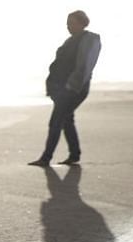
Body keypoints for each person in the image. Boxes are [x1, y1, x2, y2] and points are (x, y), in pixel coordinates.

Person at [29, 10, 102, 167]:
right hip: (62, 89)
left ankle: (46, 158)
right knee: (66, 119)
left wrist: (71, 86)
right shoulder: (70, 41)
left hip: (74, 88)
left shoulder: (89, 39)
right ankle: (74, 155)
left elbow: (84, 66)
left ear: (82, 23)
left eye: (72, 23)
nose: (68, 26)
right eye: (67, 23)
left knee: (56, 120)